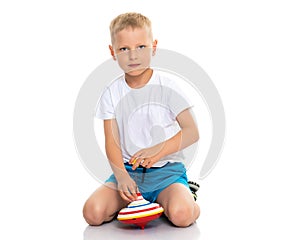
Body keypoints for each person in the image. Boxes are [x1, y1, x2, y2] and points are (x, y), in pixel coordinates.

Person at [83, 12, 200, 227]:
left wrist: (159, 150)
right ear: (113, 52)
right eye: (124, 49)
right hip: (129, 173)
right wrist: (122, 177)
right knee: (93, 213)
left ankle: (185, 195)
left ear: (153, 46)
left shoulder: (168, 87)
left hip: (167, 174)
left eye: (141, 47)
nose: (133, 56)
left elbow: (192, 132)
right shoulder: (111, 92)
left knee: (182, 216)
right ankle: (137, 202)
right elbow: (111, 141)